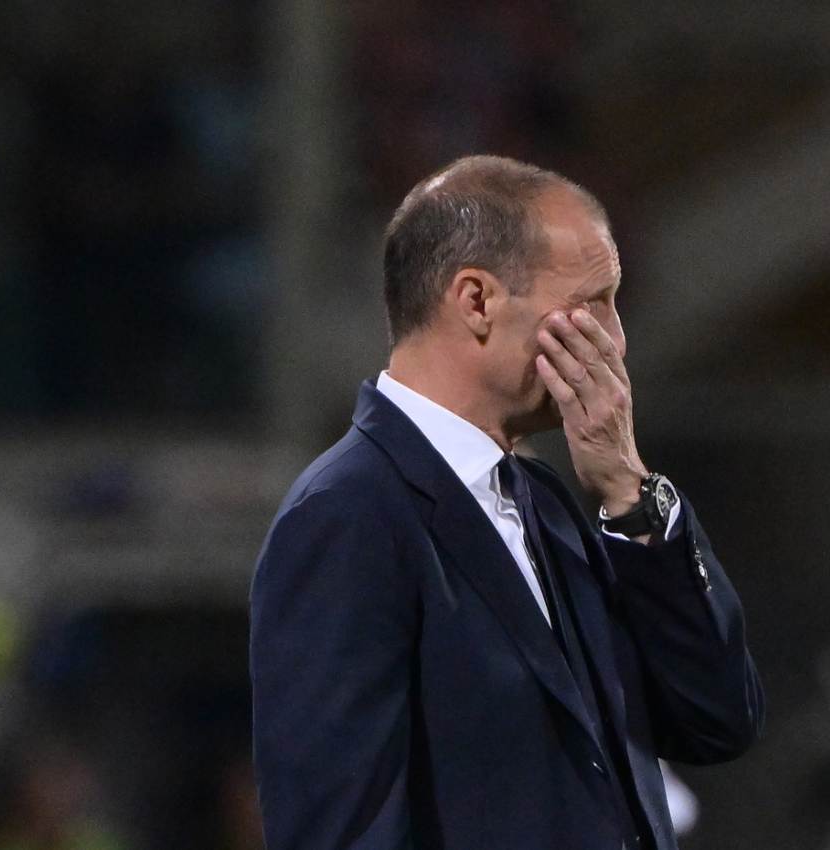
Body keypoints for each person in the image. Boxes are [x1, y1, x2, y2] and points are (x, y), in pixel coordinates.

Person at [249, 155, 764, 850]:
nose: (616, 342)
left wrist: (630, 494)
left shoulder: (544, 503)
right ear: (477, 301)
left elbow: (717, 720)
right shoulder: (347, 515)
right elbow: (343, 833)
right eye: (592, 304)